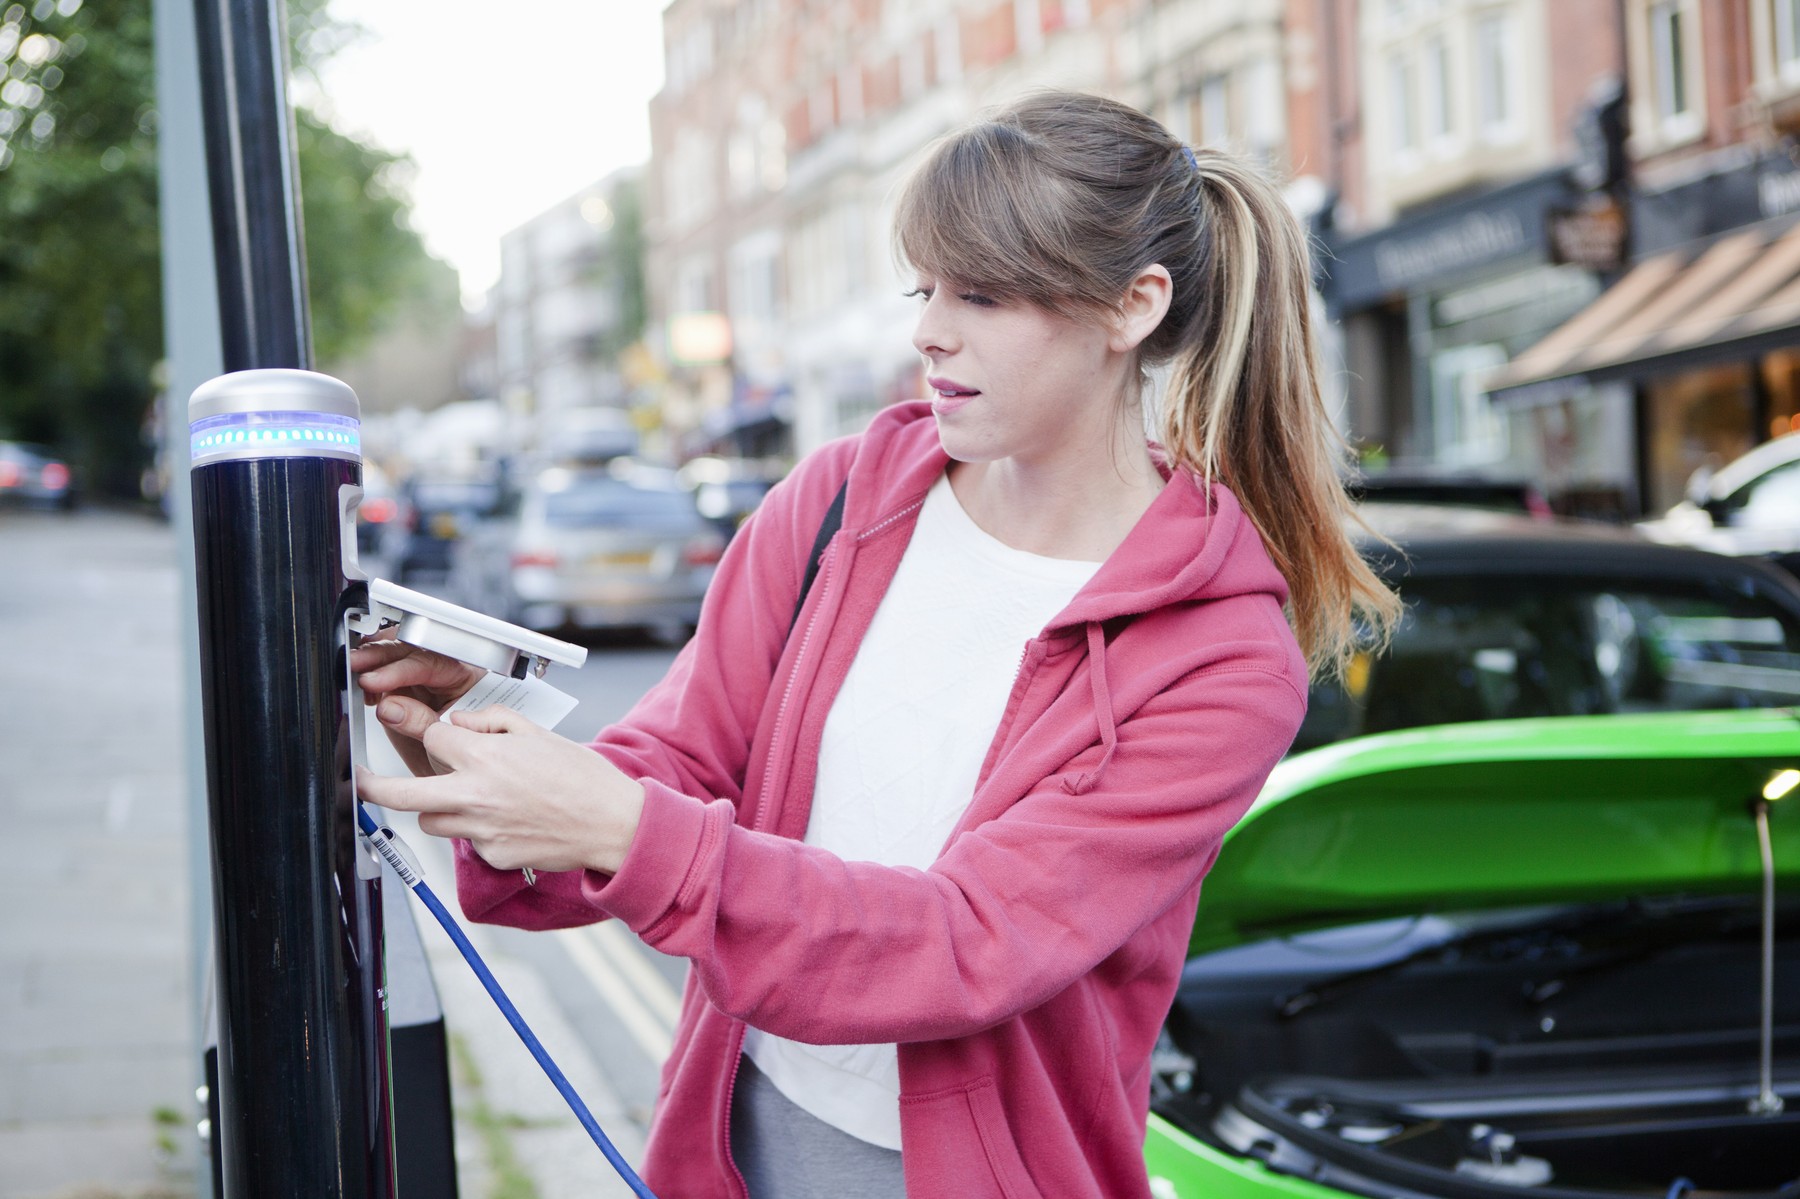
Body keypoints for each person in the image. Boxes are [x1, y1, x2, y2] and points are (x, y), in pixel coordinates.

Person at [354, 89, 1399, 1199]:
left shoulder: (1219, 656)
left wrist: (623, 824)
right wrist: (477, 744)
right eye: (926, 288)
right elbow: (680, 764)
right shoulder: (840, 499)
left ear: (1133, 307)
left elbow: (968, 942)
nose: (929, 331)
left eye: (983, 294)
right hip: (734, 1139)